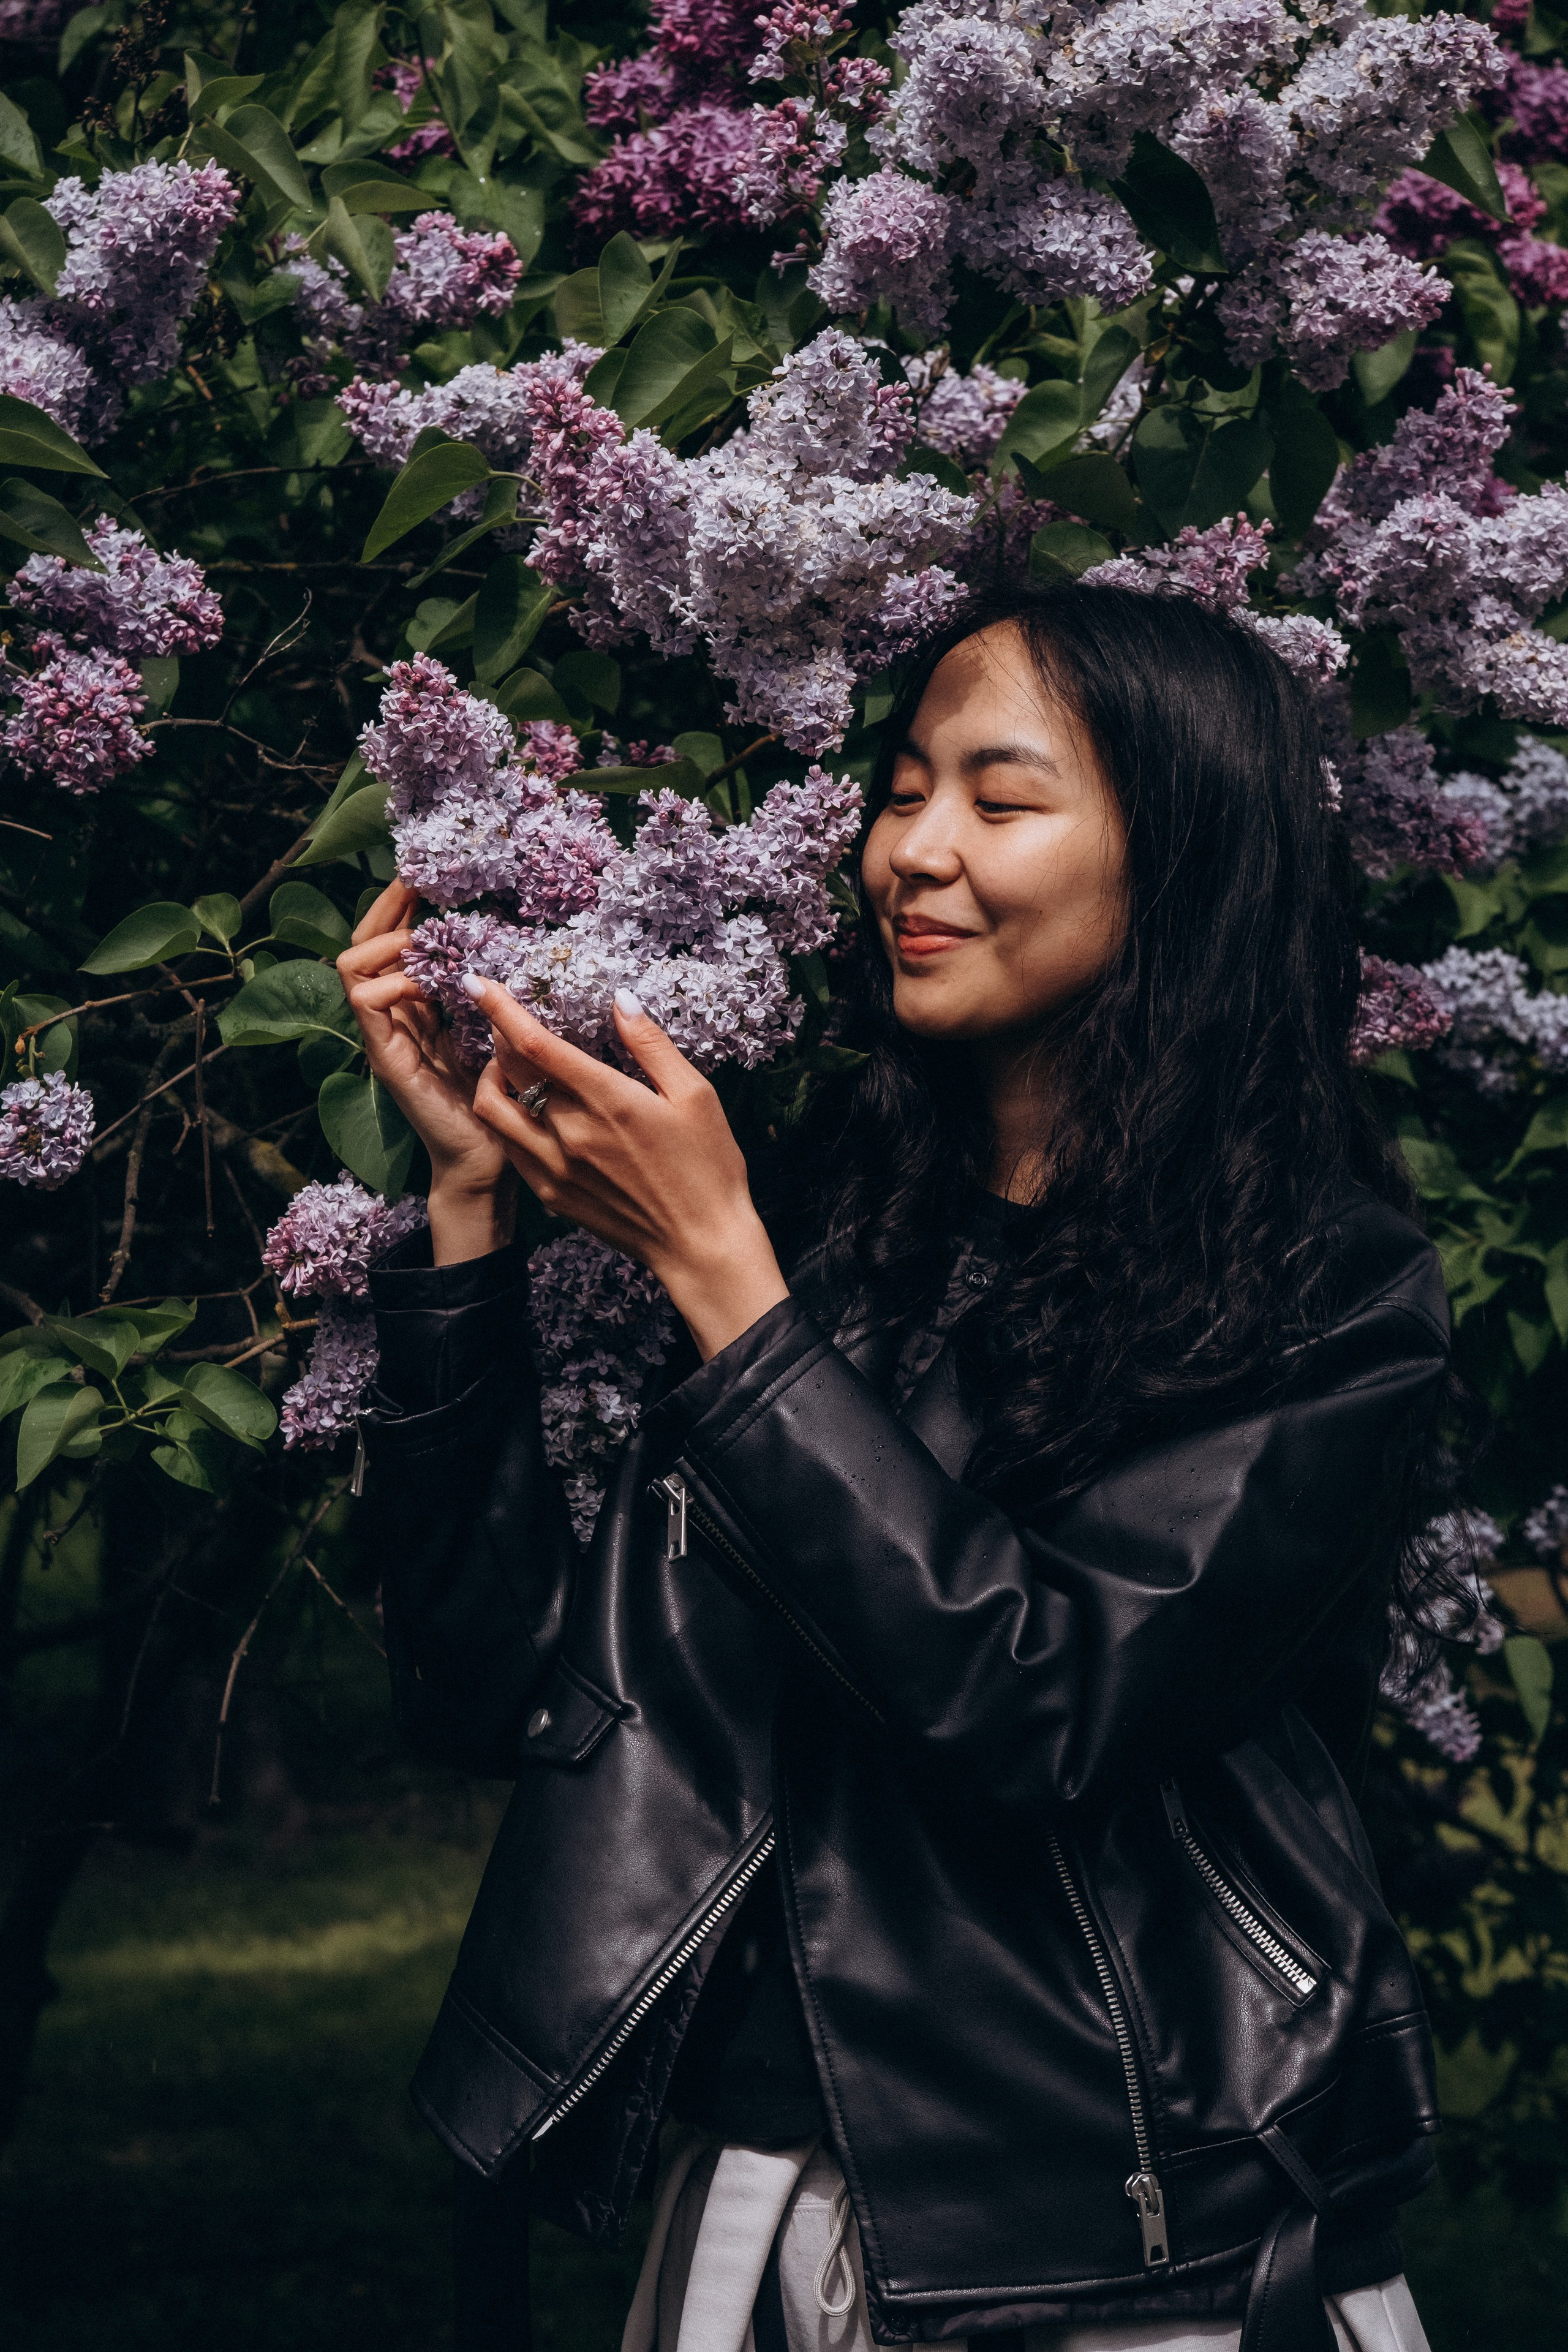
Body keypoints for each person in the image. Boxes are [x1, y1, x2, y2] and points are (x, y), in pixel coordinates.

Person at [339, 586, 1456, 2352]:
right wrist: (468, 1214)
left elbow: (1043, 1706)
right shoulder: (832, 1234)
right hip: (754, 2220)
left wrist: (726, 1290)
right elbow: (503, 1693)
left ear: (1178, 862)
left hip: (1119, 2257)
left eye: (1000, 804)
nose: (912, 852)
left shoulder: (1331, 1296)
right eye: (905, 787)